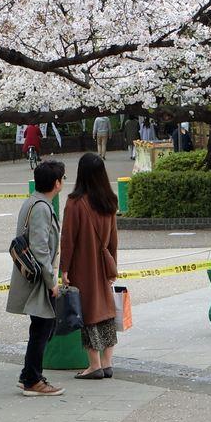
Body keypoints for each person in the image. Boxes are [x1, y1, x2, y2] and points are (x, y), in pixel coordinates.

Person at [6, 160, 66, 396]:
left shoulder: (33, 201)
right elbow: (40, 247)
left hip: (35, 276)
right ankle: (33, 380)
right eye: (62, 178)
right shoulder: (41, 207)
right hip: (40, 279)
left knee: (40, 326)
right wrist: (52, 281)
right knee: (43, 326)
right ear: (56, 183)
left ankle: (28, 375)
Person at [60, 153, 120, 379]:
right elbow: (114, 239)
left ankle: (94, 365)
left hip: (82, 265)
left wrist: (64, 269)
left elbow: (68, 239)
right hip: (105, 264)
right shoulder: (109, 201)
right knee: (106, 311)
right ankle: (107, 362)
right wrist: (113, 266)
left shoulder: (75, 203)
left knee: (87, 313)